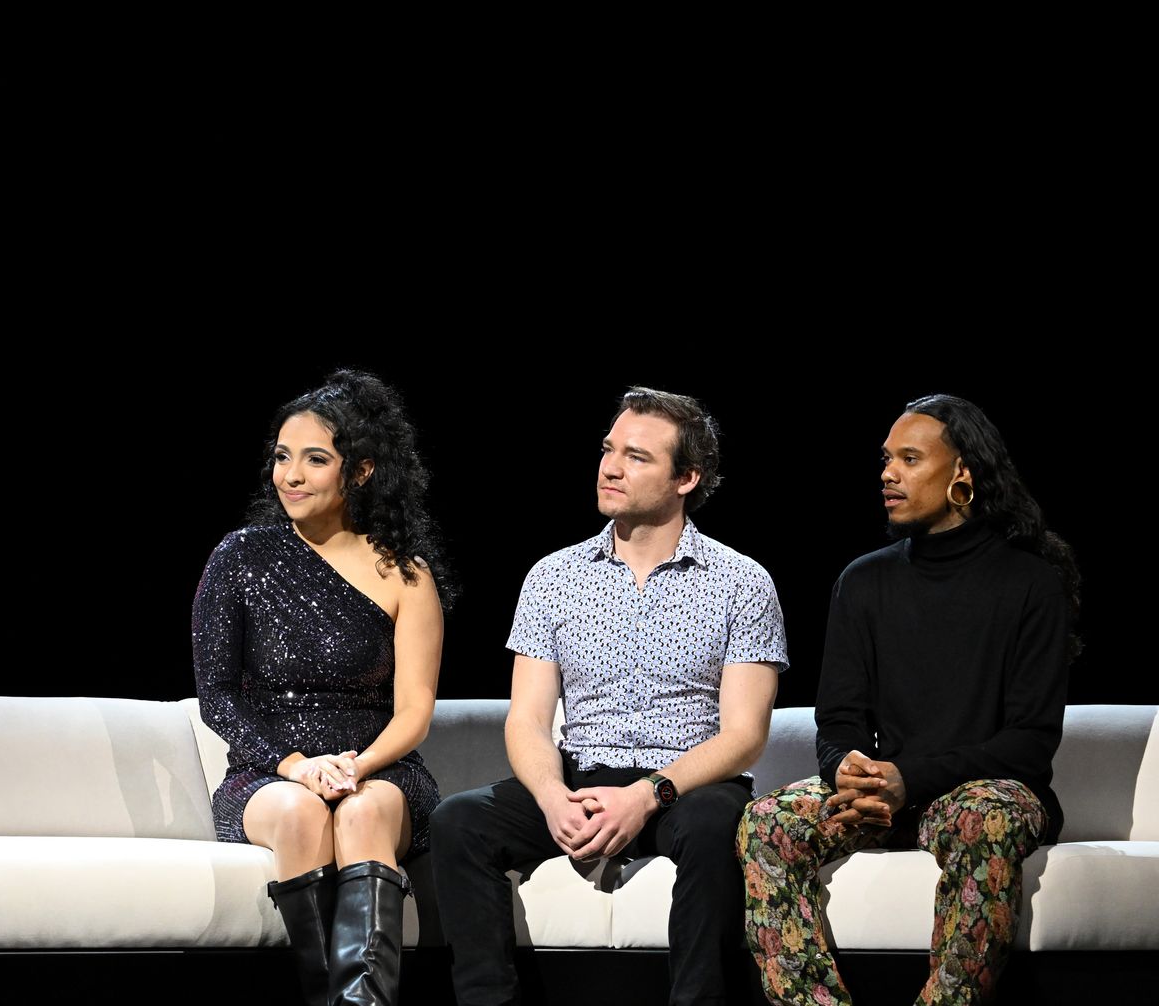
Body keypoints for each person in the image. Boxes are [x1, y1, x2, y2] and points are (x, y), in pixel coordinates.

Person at [432, 387, 788, 1006]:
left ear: (687, 478)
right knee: (459, 820)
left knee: (711, 829)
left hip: (686, 784)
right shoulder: (553, 576)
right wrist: (550, 798)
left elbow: (744, 734)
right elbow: (529, 720)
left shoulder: (741, 581)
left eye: (637, 457)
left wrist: (648, 795)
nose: (610, 467)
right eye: (607, 450)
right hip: (582, 776)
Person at [738, 395, 1078, 1006]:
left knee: (985, 814)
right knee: (768, 820)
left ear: (962, 473)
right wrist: (845, 766)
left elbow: (1028, 744)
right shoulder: (864, 581)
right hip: (885, 799)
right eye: (886, 459)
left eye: (910, 458)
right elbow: (838, 721)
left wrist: (907, 777)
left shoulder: (1031, 583)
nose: (888, 473)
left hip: (985, 790)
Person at [191, 370, 449, 1006]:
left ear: (358, 472)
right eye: (282, 457)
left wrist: (355, 767)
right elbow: (218, 697)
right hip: (268, 773)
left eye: (314, 459)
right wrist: (300, 768)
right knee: (303, 811)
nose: (292, 475)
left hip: (380, 770)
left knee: (361, 810)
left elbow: (414, 712)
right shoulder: (239, 557)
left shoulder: (405, 574)